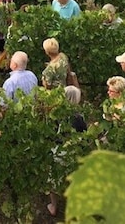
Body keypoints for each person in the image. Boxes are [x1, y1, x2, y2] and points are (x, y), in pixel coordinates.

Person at [46, 85, 86, 216]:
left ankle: (53, 206)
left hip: (57, 151)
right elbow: (83, 137)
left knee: (53, 179)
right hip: (72, 152)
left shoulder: (55, 114)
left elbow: (50, 134)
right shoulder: (79, 118)